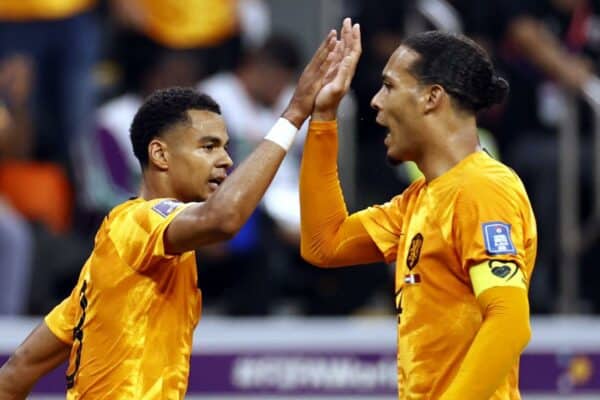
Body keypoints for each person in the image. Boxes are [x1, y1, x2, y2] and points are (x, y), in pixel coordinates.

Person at [0, 28, 338, 399]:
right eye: (208, 147)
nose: (225, 160)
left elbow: (17, 371)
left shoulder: (102, 277)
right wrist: (292, 116)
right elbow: (222, 219)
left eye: (225, 147)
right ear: (160, 155)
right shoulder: (139, 221)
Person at [300, 18, 537, 399]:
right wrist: (324, 118)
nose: (375, 101)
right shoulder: (419, 199)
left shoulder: (482, 187)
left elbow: (509, 320)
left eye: (390, 86)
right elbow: (323, 244)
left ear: (432, 97)